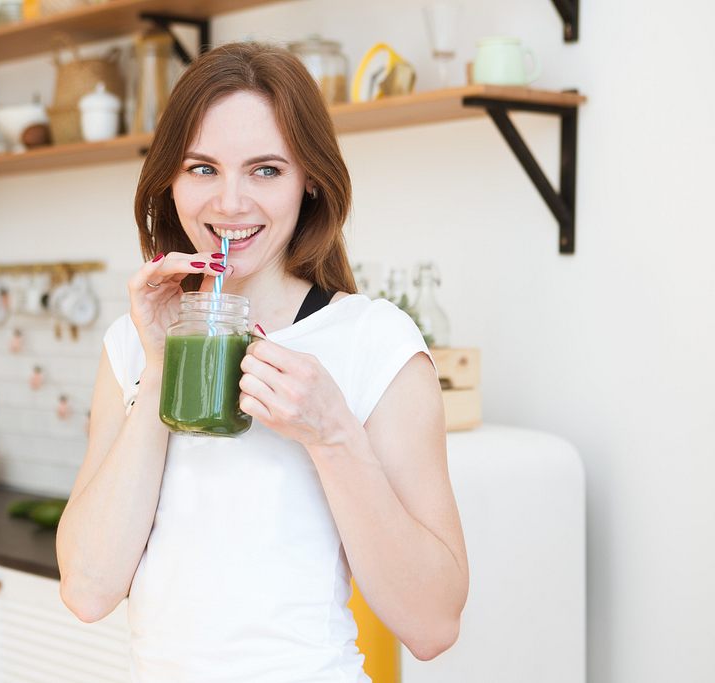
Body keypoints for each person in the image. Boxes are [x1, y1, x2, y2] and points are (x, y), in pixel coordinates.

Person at [56, 41, 469, 682]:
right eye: (202, 168)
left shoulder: (375, 344)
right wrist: (163, 364)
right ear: (169, 180)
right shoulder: (132, 343)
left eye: (266, 170)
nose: (229, 203)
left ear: (310, 183)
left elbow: (434, 624)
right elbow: (87, 589)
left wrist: (332, 435)